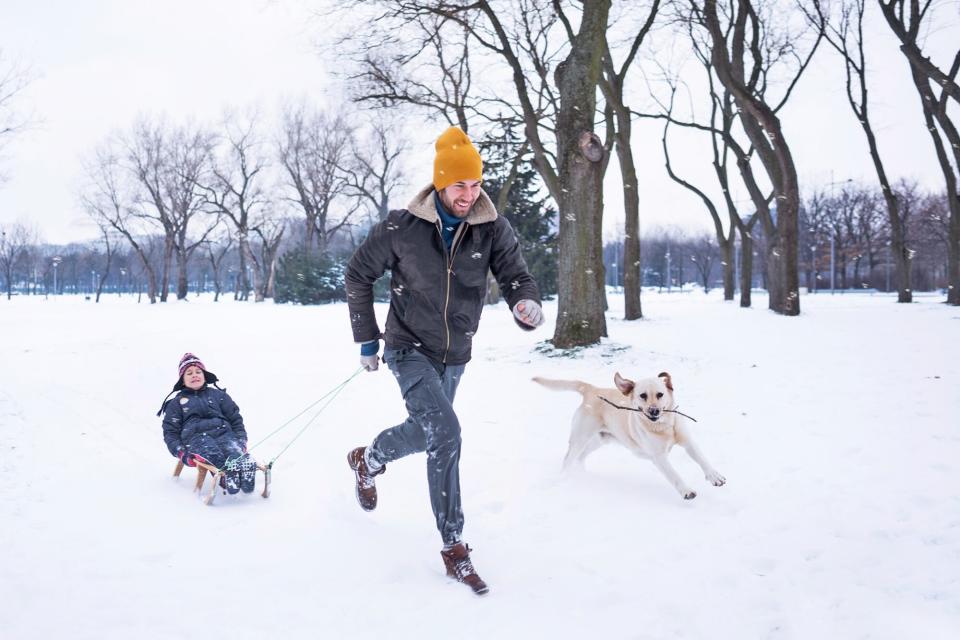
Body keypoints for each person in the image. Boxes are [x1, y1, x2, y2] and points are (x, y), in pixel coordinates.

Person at [344, 126, 545, 595]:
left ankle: (368, 459)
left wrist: (525, 303)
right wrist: (368, 340)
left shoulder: (491, 226)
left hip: (456, 353)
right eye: (460, 185)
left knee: (428, 431)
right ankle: (454, 546)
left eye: (475, 185)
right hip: (407, 346)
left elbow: (517, 276)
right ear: (439, 182)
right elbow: (357, 275)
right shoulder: (402, 228)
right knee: (447, 433)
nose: (469, 195)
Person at [158, 353, 257, 495]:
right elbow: (170, 432)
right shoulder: (176, 403)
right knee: (211, 451)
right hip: (195, 438)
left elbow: (235, 419)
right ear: (182, 380)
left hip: (223, 433)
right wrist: (181, 452)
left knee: (232, 449)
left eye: (198, 372)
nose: (194, 375)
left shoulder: (219, 396)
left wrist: (241, 439)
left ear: (204, 375)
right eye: (189, 373)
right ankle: (226, 477)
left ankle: (243, 465)